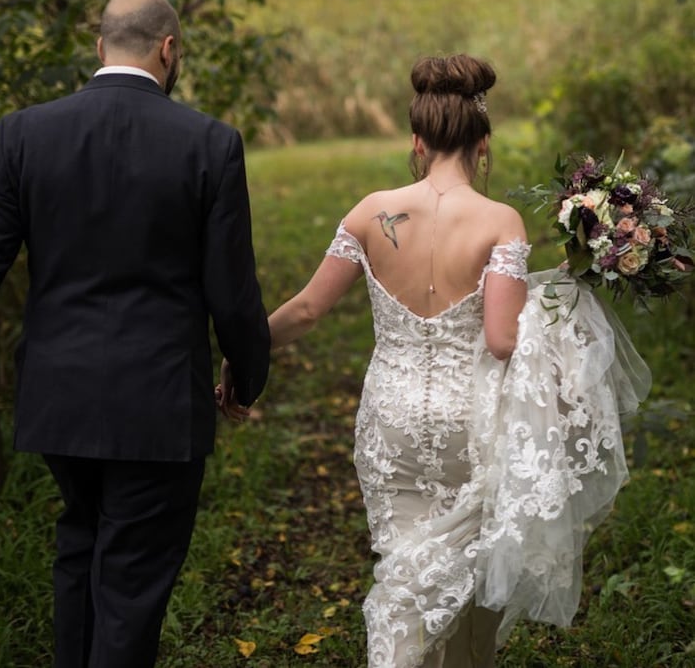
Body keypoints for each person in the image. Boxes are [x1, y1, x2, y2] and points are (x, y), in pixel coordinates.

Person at [220, 54, 650, 668]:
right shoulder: (499, 222)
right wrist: (563, 292)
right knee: (469, 579)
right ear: (484, 144)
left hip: (390, 420)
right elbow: (503, 340)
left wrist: (241, 355)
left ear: (416, 141)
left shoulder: (370, 212)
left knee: (402, 570)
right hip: (470, 423)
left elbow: (308, 310)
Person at [0, 0, 271, 668]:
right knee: (130, 585)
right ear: (169, 50)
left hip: (60, 401)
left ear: (100, 47)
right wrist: (246, 374)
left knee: (81, 552)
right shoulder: (210, 144)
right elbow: (233, 290)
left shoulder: (23, 135)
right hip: (158, 408)